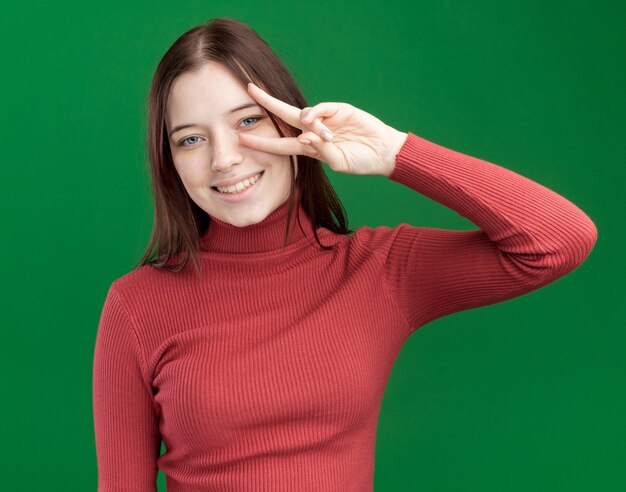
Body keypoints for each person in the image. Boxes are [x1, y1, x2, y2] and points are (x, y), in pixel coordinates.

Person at [92, 17, 598, 492]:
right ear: (171, 162)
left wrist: (396, 152)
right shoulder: (137, 305)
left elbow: (557, 241)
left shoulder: (376, 270)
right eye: (191, 139)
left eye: (249, 121)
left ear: (293, 125)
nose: (224, 159)